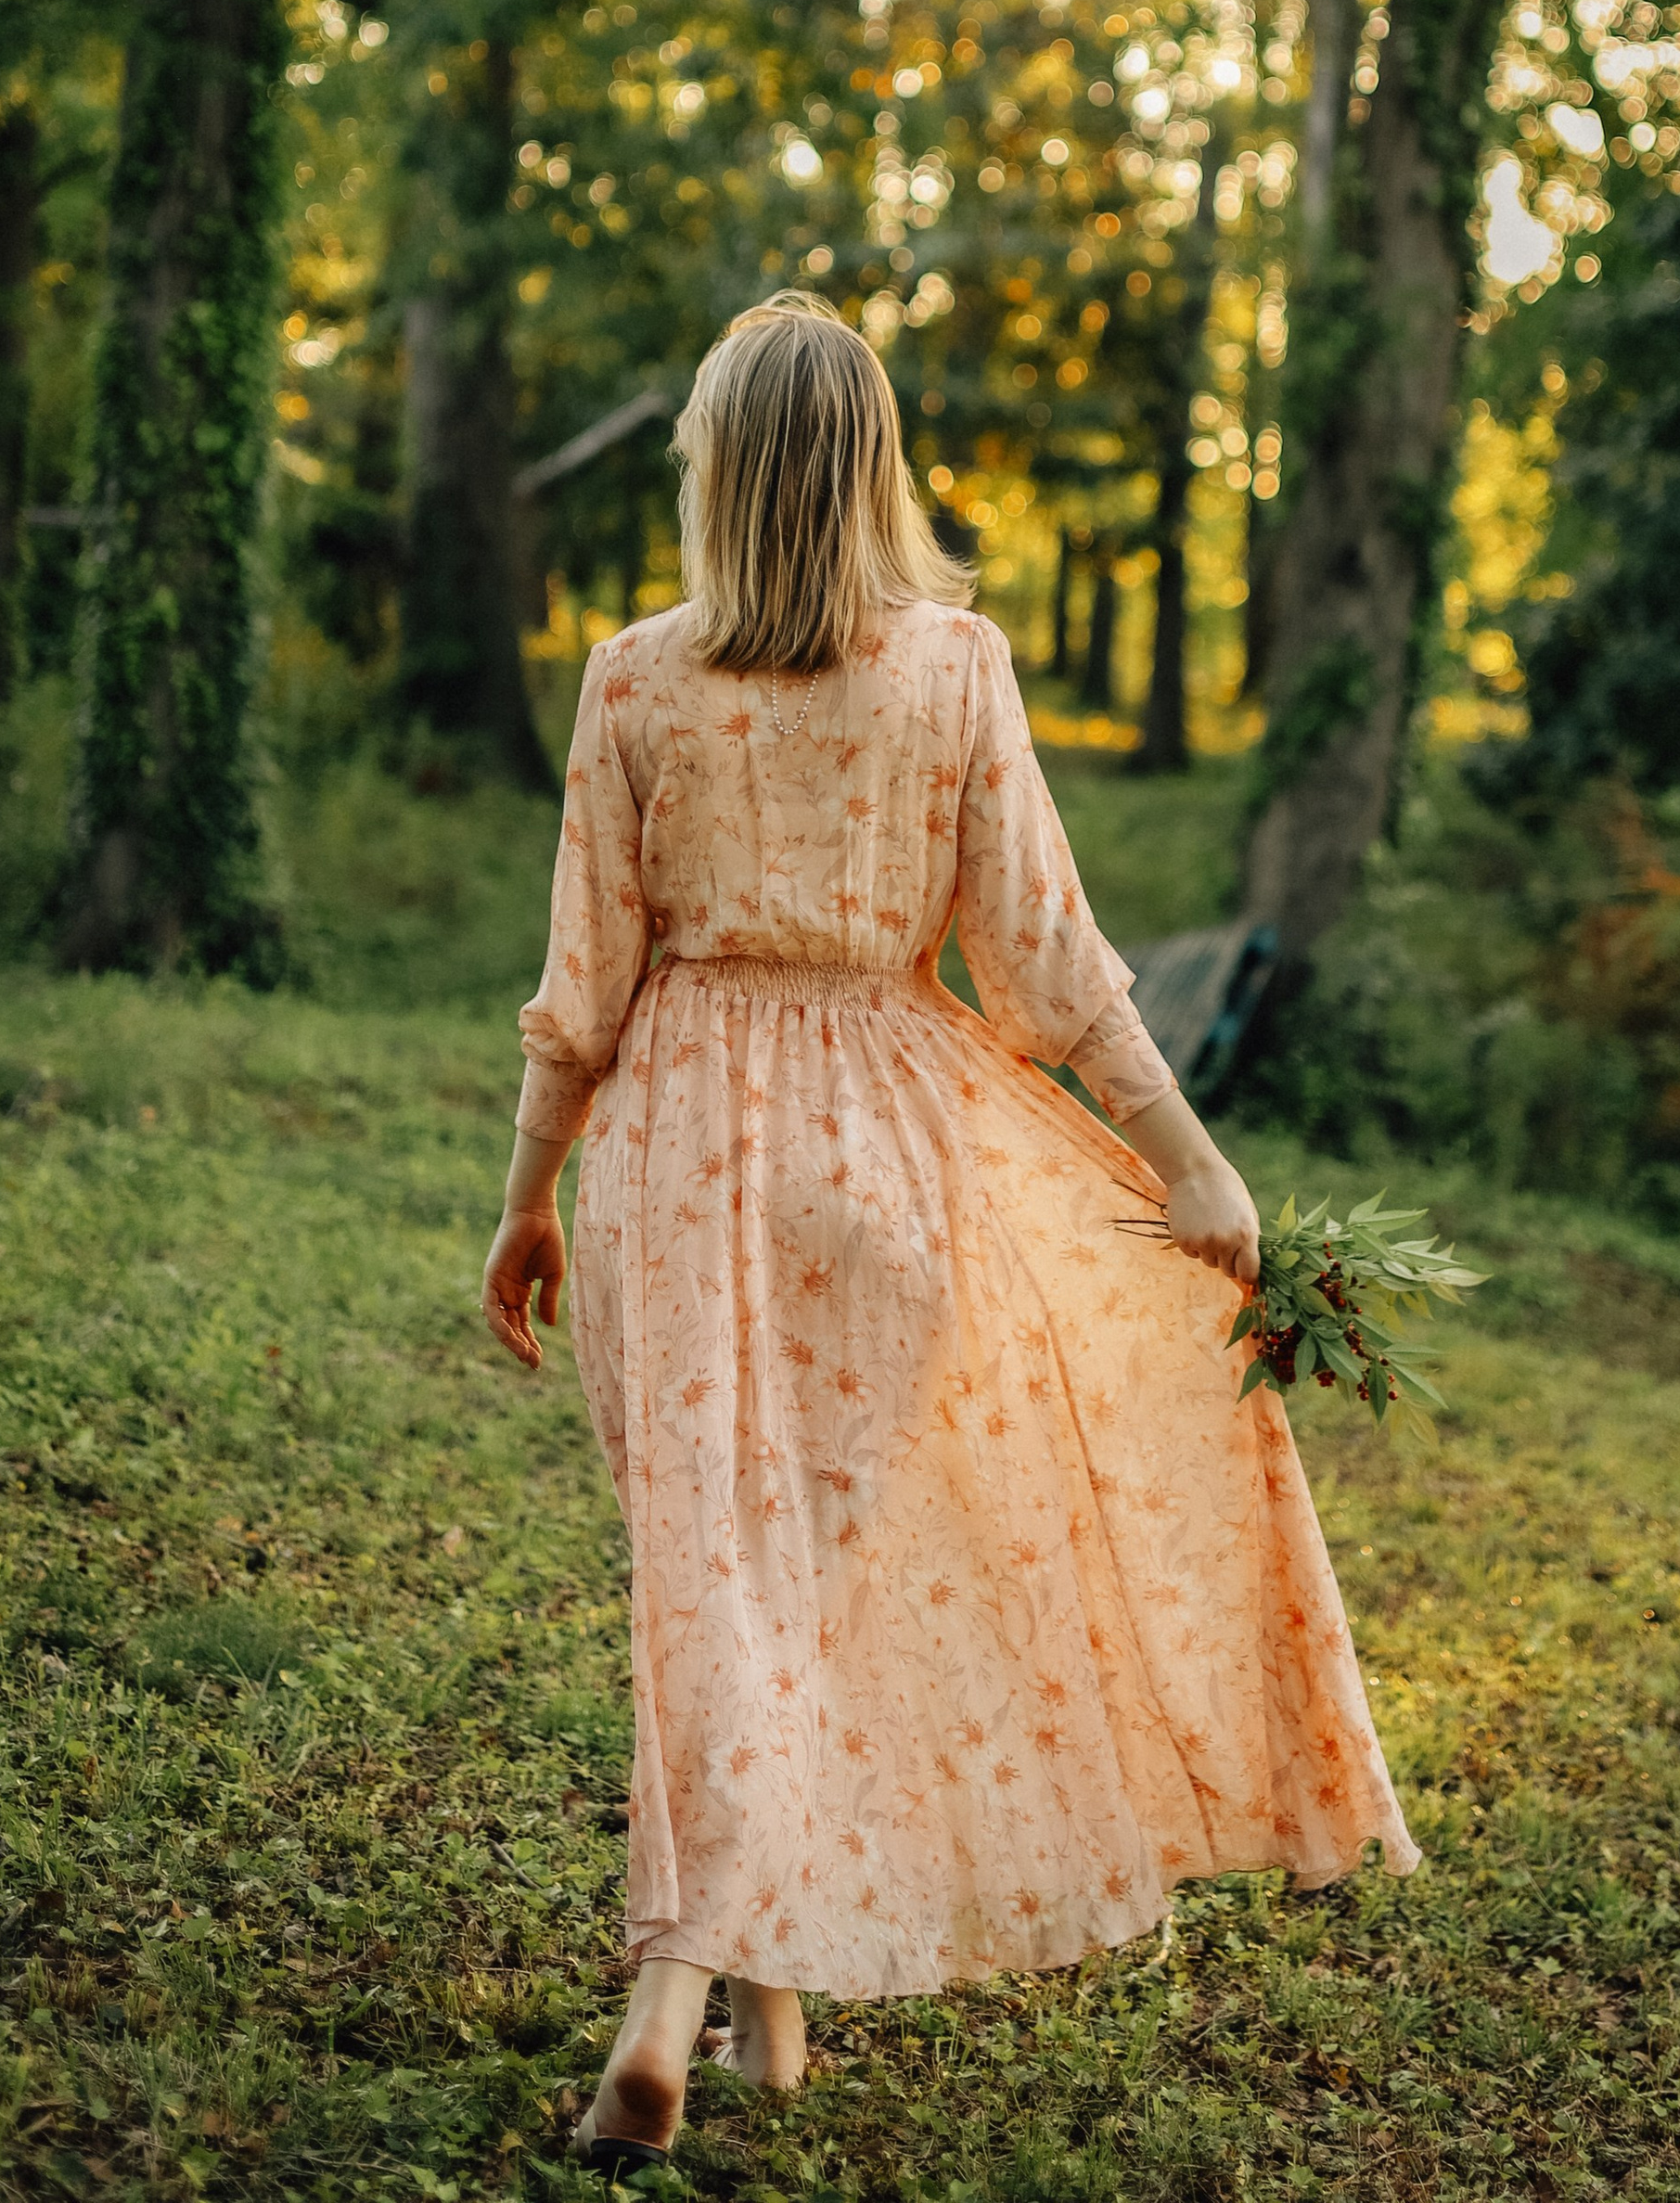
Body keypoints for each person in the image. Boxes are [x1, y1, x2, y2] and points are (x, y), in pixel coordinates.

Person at [481, 293, 1415, 2178]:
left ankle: (664, 1994)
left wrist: (523, 1197)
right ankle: (768, 2010)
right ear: (876, 471)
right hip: (884, 1161)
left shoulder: (633, 677)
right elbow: (1049, 961)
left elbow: (583, 989)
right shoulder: (953, 667)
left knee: (713, 1586)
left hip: (676, 1152)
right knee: (799, 1578)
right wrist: (1185, 1160)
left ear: (715, 473)